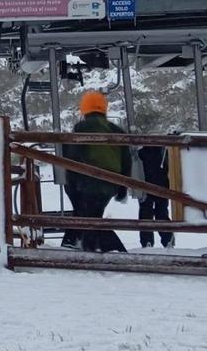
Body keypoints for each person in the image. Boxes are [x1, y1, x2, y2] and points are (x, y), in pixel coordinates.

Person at [65, 91, 130, 253]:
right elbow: (126, 160)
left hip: (87, 182)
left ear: (84, 109)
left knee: (89, 217)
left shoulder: (81, 128)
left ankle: (108, 249)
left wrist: (71, 184)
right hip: (111, 183)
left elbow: (72, 157)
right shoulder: (116, 131)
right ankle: (83, 245)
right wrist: (123, 186)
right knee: (92, 215)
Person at [138, 135, 175, 249]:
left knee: (145, 213)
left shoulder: (141, 153)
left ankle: (147, 241)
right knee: (162, 212)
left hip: (145, 184)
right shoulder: (163, 152)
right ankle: (167, 239)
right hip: (161, 184)